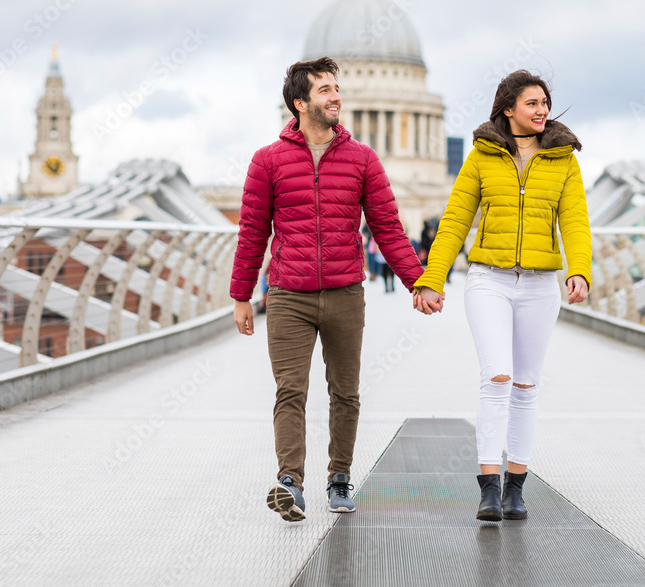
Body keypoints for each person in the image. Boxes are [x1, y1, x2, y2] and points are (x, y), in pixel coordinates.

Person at [231, 57, 424, 522]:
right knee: (290, 391)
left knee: (346, 392)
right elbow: (253, 231)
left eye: (337, 88)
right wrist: (241, 296)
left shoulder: (362, 159)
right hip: (287, 296)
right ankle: (290, 483)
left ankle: (339, 477)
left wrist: (420, 282)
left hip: (343, 293)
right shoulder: (268, 160)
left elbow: (389, 229)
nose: (336, 96)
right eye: (324, 90)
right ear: (299, 104)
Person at [413, 70, 591, 522]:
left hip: (538, 286)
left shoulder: (564, 159)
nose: (541, 111)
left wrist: (580, 271)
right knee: (498, 377)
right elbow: (454, 221)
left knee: (527, 385)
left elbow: (574, 221)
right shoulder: (481, 156)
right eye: (532, 103)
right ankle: (488, 488)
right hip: (488, 280)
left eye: (545, 103)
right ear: (508, 108)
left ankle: (516, 487)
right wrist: (432, 279)